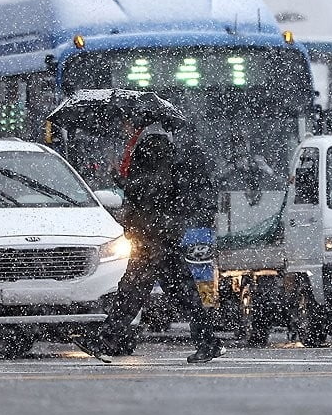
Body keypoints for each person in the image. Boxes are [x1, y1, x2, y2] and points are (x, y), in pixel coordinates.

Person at [81, 131, 225, 363]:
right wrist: (121, 179)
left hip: (154, 243)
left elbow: (147, 196)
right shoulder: (165, 169)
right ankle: (209, 342)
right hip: (155, 242)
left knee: (133, 294)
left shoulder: (160, 172)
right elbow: (146, 197)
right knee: (169, 296)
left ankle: (106, 342)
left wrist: (123, 181)